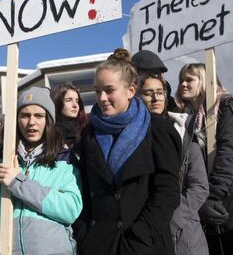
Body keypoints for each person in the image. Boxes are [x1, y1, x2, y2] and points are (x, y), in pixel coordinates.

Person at [74, 48, 181, 255]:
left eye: (109, 90)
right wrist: (85, 235)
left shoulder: (157, 129)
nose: (102, 98)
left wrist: (138, 238)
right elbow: (85, 191)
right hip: (100, 245)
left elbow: (167, 192)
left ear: (131, 90)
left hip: (144, 245)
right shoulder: (89, 133)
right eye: (97, 91)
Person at [0, 87, 82, 255]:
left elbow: (70, 209)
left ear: (48, 120)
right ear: (16, 120)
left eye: (39, 116)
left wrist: (19, 183)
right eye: (25, 115)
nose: (31, 122)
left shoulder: (64, 157)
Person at [175, 63, 233, 255]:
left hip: (227, 203)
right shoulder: (191, 118)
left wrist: (213, 195)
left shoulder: (225, 106)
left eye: (189, 79)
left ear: (205, 81)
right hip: (204, 205)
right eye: (181, 79)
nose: (182, 84)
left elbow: (229, 154)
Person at [138, 72, 209, 255]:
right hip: (146, 235)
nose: (155, 98)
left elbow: (199, 187)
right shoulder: (133, 137)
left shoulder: (183, 132)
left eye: (160, 92)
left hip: (182, 234)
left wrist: (170, 219)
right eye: (148, 93)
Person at [50, 84, 88, 151]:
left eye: (77, 101)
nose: (75, 105)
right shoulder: (48, 134)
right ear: (57, 102)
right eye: (69, 100)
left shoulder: (85, 131)